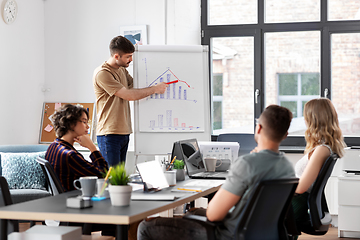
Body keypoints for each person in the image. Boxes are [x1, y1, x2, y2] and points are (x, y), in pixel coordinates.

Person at [137, 105, 295, 240]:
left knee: (146, 226)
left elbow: (213, 215)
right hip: (261, 233)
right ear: (286, 135)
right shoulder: (287, 166)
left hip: (228, 234)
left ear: (258, 128)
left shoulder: (247, 164)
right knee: (192, 212)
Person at [93, 35, 167, 166]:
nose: (131, 60)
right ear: (116, 56)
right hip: (109, 134)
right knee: (112, 179)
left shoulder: (122, 70)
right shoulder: (103, 73)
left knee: (120, 179)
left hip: (124, 132)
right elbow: (128, 95)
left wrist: (148, 58)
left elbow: (135, 87)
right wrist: (154, 89)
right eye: (128, 56)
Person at [291, 98, 346, 234]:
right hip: (295, 201)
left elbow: (301, 187)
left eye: (306, 116)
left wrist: (276, 186)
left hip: (296, 203)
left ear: (312, 119)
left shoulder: (322, 149)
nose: (304, 120)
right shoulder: (323, 147)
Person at [45, 104, 109, 191]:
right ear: (71, 124)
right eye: (84, 122)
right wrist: (92, 147)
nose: (87, 127)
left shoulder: (53, 146)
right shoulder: (69, 155)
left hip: (59, 199)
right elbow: (103, 174)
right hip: (73, 199)